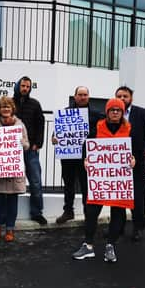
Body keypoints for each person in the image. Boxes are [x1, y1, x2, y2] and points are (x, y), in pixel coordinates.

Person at [72, 98, 135, 263]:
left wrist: (134, 160)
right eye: (112, 110)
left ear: (122, 113)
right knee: (92, 211)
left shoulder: (129, 130)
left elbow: (136, 150)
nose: (115, 112)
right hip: (100, 181)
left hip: (120, 180)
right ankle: (88, 245)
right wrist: (85, 159)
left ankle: (110, 246)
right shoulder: (97, 128)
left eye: (118, 110)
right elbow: (87, 146)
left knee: (118, 213)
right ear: (107, 112)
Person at [51, 86, 102, 224]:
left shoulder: (96, 114)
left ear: (88, 96)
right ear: (75, 96)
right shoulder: (65, 113)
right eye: (80, 94)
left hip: (86, 156)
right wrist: (54, 138)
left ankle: (88, 213)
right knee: (68, 184)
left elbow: (102, 131)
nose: (82, 97)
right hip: (68, 156)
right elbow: (55, 134)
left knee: (86, 186)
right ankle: (68, 211)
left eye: (85, 94)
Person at [115, 86, 145, 242]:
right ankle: (118, 226)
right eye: (119, 96)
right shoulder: (112, 113)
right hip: (117, 164)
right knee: (118, 197)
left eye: (125, 96)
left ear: (131, 98)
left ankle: (138, 227)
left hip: (138, 163)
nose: (122, 99)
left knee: (137, 197)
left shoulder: (142, 113)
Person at [0, 96, 29, 242]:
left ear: (12, 109)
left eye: (8, 106)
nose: (5, 109)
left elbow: (26, 145)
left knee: (12, 203)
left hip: (13, 171)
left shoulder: (20, 125)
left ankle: (10, 229)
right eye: (2, 107)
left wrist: (19, 142)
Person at [13, 76, 47, 225]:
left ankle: (37, 212)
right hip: (12, 150)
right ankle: (9, 216)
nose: (25, 88)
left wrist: (38, 143)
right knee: (10, 183)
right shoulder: (10, 102)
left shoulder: (35, 104)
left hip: (31, 149)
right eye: (23, 86)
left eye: (28, 86)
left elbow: (41, 123)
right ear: (18, 86)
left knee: (35, 181)